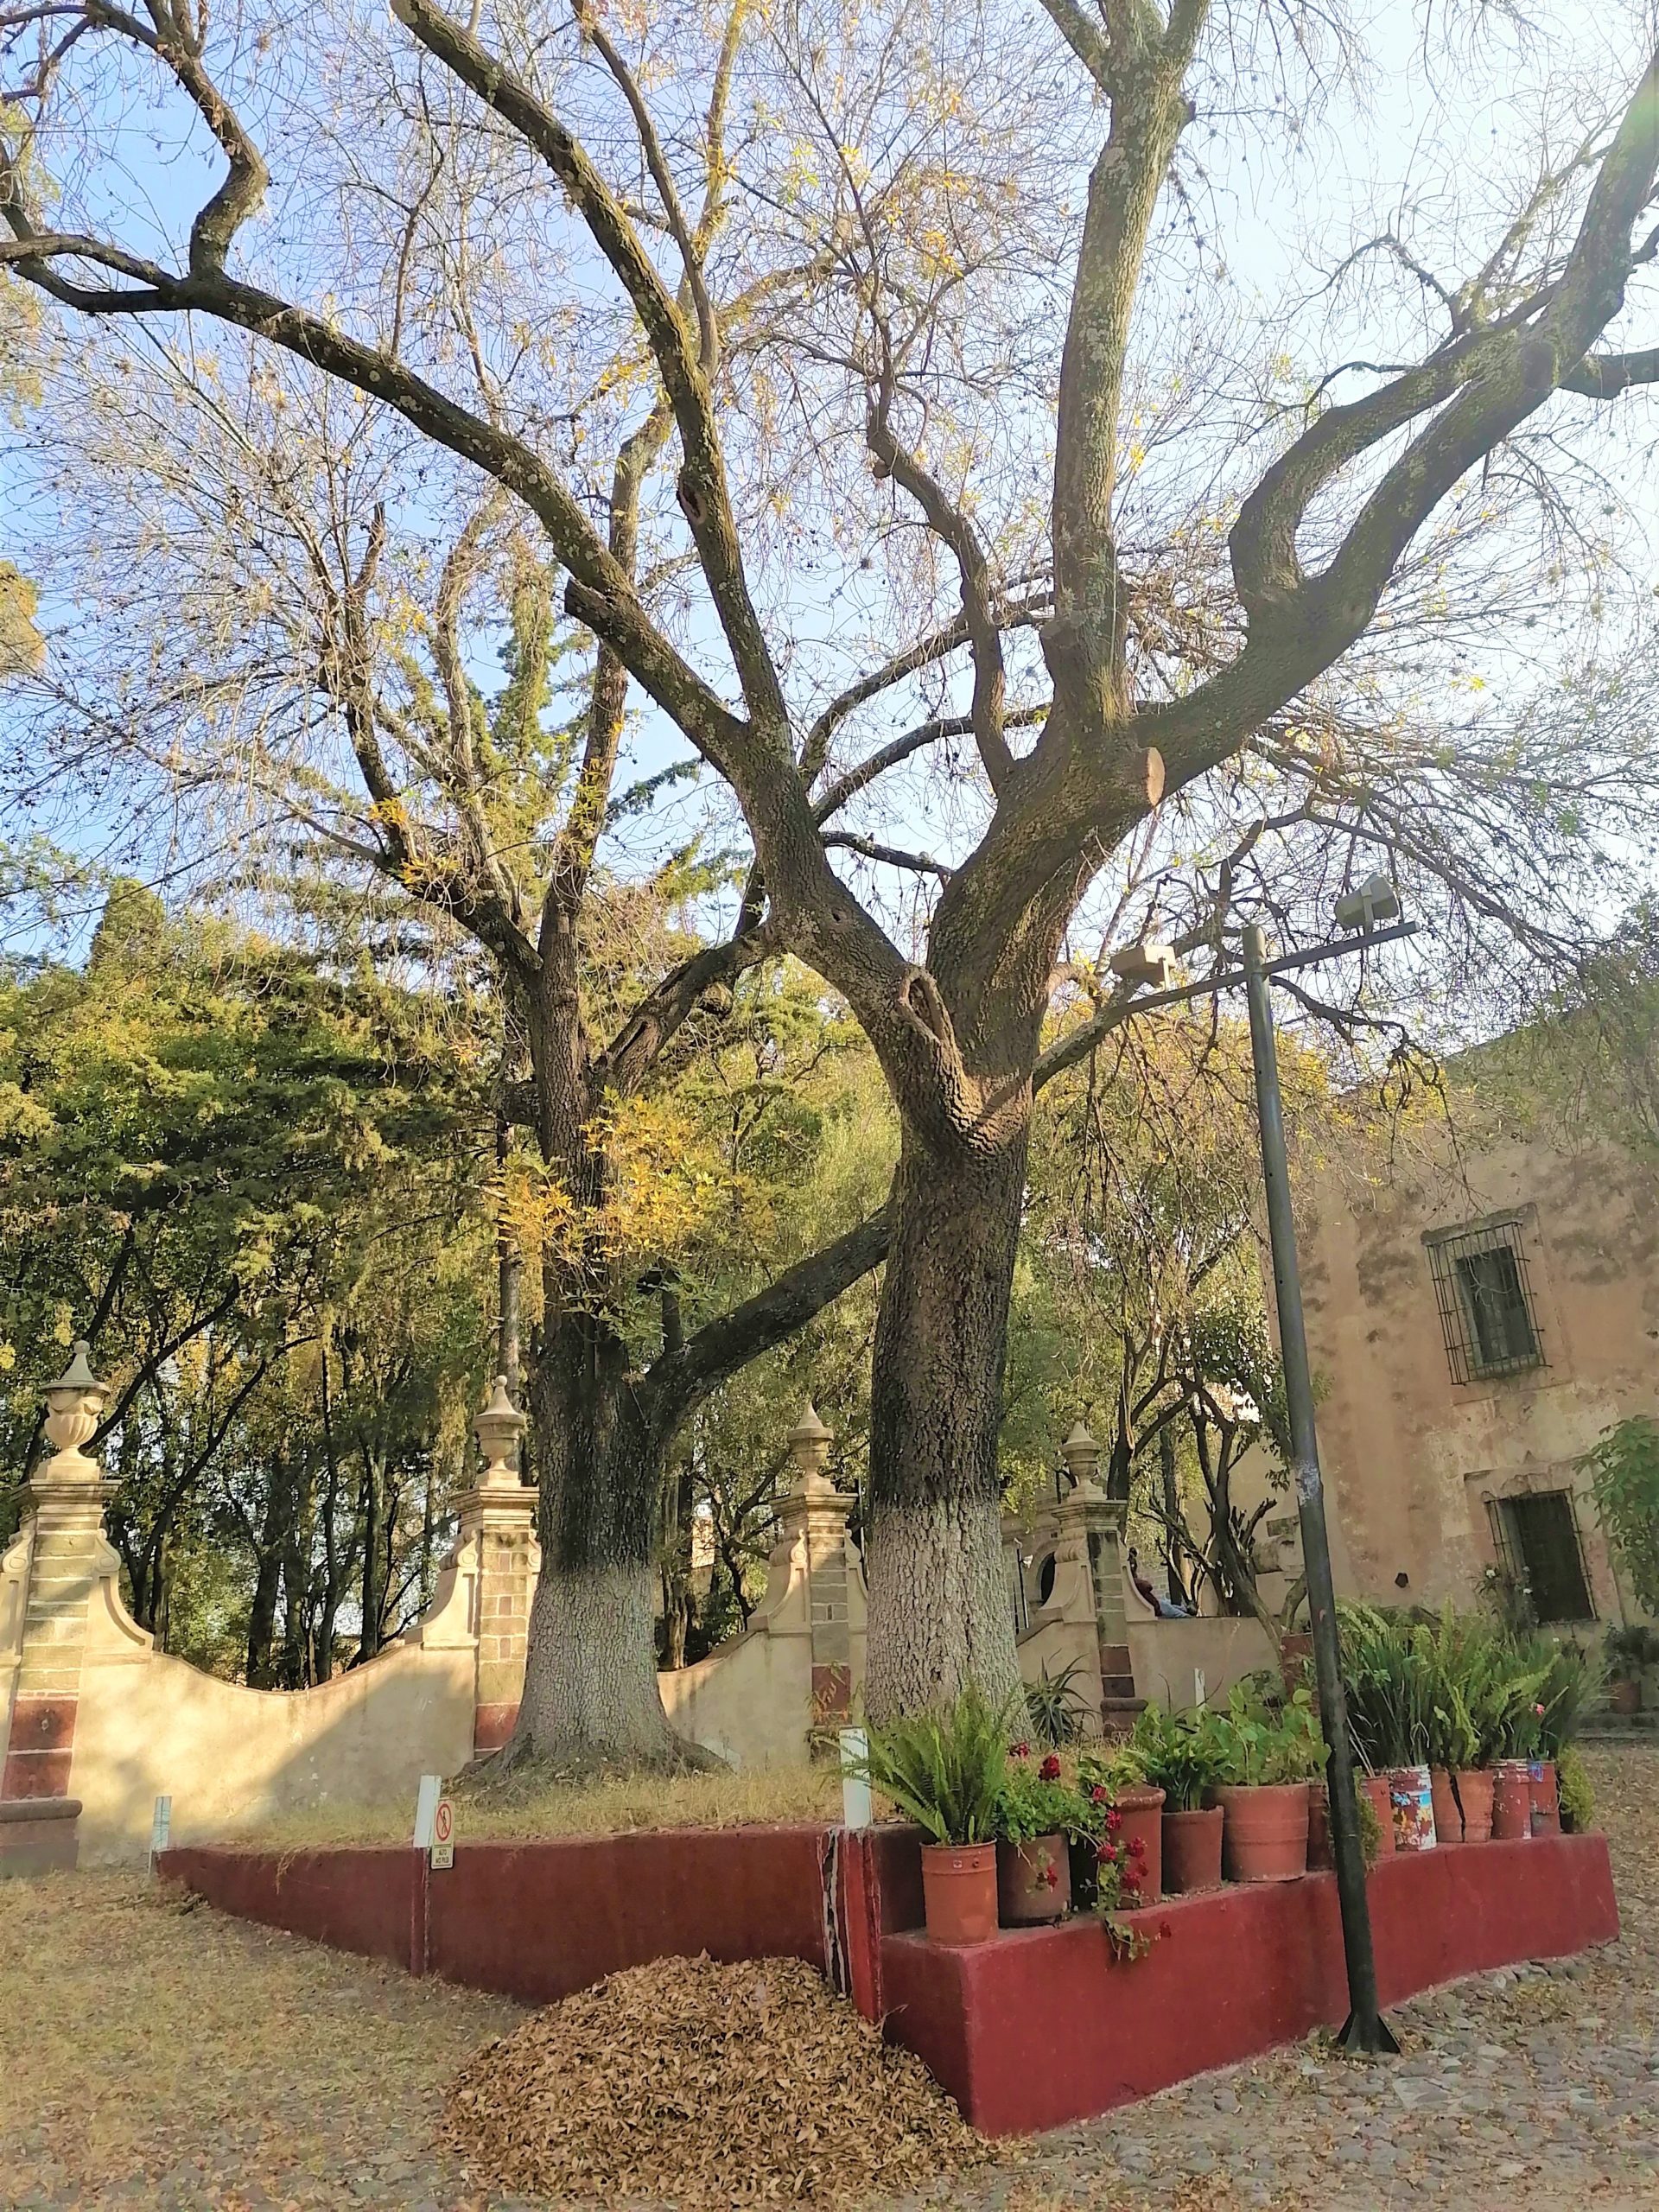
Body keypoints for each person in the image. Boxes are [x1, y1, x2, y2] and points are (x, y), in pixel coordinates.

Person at [1128, 1545, 1193, 1618]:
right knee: (1173, 1610)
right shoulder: (1134, 1582)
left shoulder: (1133, 1582)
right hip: (1155, 1606)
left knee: (1170, 1606)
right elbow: (1147, 1586)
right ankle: (1186, 1614)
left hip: (1156, 1604)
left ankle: (1186, 1609)